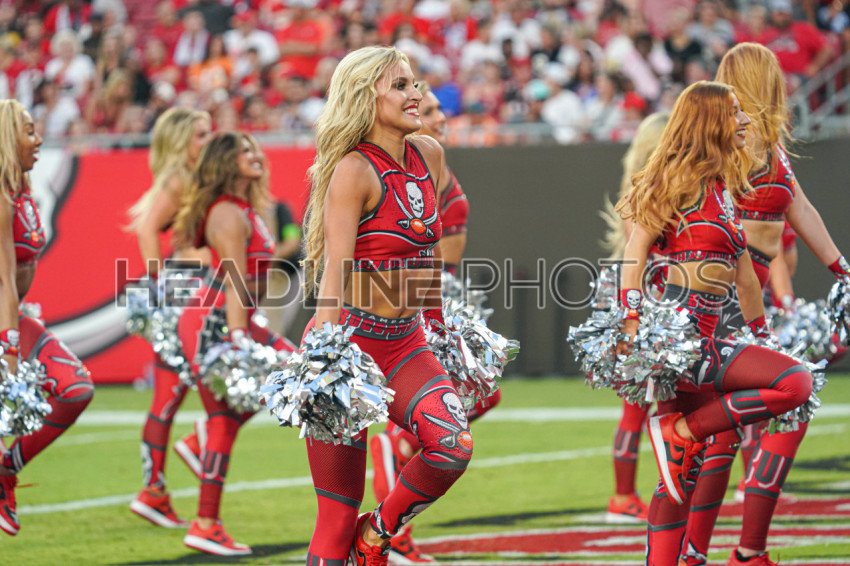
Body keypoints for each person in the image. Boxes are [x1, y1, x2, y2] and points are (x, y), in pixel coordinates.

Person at [614, 80, 813, 565]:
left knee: (680, 479)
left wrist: (762, 333)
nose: (745, 120)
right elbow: (634, 252)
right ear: (710, 121)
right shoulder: (674, 180)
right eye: (735, 112)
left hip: (711, 332)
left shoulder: (722, 185)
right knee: (795, 382)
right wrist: (631, 317)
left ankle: (676, 552)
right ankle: (683, 430)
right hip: (683, 338)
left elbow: (744, 275)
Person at [300, 45, 473, 564]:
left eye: (413, 83)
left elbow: (431, 255)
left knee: (452, 446)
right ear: (365, 97)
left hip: (407, 343)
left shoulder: (430, 155)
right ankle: (354, 537)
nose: (414, 93)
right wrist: (324, 356)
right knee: (335, 518)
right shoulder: (353, 170)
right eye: (400, 86)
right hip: (352, 346)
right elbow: (334, 268)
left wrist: (440, 328)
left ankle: (376, 534)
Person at [680, 42, 850, 566]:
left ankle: (701, 552)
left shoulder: (765, 144)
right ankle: (741, 549)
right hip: (724, 302)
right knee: (788, 404)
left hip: (743, 300)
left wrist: (842, 268)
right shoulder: (734, 143)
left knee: (729, 436)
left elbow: (800, 206)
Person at [366, 80, 500, 562]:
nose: (439, 116)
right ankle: (396, 464)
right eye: (431, 108)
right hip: (413, 298)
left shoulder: (431, 159)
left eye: (442, 109)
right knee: (463, 407)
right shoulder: (402, 163)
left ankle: (400, 455)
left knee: (481, 393)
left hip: (440, 291)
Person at [172, 131, 294, 556]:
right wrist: (240, 338)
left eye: (255, 148)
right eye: (244, 151)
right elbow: (235, 282)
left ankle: (199, 449)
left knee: (290, 375)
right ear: (226, 162)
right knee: (237, 410)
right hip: (215, 321)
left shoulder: (246, 208)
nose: (256, 154)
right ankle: (205, 522)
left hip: (234, 317)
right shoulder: (226, 212)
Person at [0, 99, 94, 536]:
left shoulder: (22, 187)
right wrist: (9, 349)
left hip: (14, 313)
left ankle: (6, 469)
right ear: (6, 137)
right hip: (7, 319)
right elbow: (4, 278)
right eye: (29, 131)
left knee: (75, 389)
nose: (38, 140)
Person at [127, 107, 212, 528]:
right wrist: (160, 290)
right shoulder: (179, 178)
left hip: (197, 284)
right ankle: (198, 444)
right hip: (189, 288)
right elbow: (147, 228)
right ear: (181, 142)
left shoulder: (199, 176)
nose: (208, 140)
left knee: (169, 394)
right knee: (226, 374)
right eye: (201, 135)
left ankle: (154, 490)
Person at [599, 111, 669, 523]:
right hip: (648, 304)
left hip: (638, 302)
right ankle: (625, 496)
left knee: (638, 407)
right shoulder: (647, 193)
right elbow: (644, 259)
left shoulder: (634, 191)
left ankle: (626, 496)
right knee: (644, 407)